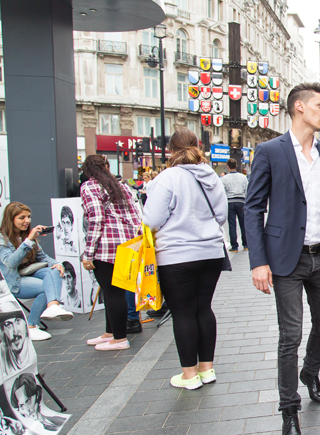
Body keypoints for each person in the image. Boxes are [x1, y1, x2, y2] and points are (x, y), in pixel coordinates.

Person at [244, 83, 320, 435]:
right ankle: (289, 412)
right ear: (299, 107)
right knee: (290, 335)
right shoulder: (269, 151)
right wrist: (258, 261)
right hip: (286, 259)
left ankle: (310, 371)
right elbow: (253, 207)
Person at [144, 130, 227, 390]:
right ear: (197, 147)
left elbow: (152, 219)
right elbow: (222, 215)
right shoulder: (211, 176)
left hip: (176, 254)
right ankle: (207, 369)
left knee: (183, 312)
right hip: (211, 252)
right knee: (204, 308)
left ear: (170, 150)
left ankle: (189, 376)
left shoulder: (167, 178)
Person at [81, 154, 142, 350]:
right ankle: (111, 333)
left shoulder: (90, 187)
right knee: (113, 291)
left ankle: (120, 338)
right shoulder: (121, 186)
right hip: (126, 246)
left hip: (106, 247)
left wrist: (88, 253)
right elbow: (135, 216)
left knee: (112, 292)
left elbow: (96, 219)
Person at [0, 202, 73, 342]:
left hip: (29, 273)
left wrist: (57, 264)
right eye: (22, 217)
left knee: (54, 271)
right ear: (11, 219)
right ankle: (31, 326)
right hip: (13, 280)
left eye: (28, 217)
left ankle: (53, 306)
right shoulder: (2, 238)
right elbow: (10, 263)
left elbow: (42, 256)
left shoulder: (25, 235)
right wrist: (28, 241)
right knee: (45, 288)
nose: (27, 221)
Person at [221, 158, 248, 252]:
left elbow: (223, 192)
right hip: (241, 201)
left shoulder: (224, 179)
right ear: (236, 166)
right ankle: (246, 244)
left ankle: (234, 246)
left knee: (232, 225)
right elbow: (247, 190)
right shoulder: (243, 177)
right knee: (243, 224)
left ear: (227, 167)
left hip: (230, 202)